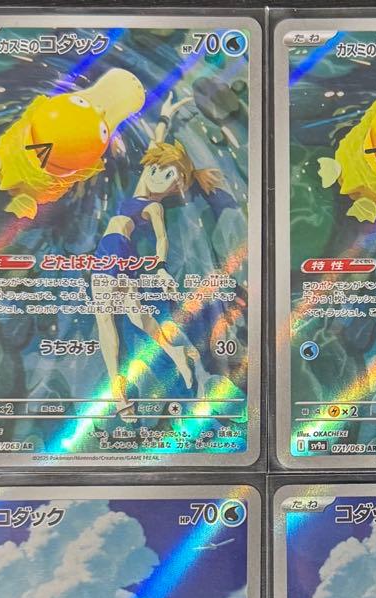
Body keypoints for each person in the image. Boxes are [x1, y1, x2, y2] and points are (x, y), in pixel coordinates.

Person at [93, 91, 221, 418]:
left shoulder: (153, 206)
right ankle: (176, 355)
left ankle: (120, 394)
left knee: (109, 321)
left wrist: (161, 266)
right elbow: (156, 144)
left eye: (169, 177)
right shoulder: (141, 189)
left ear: (176, 186)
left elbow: (162, 239)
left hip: (116, 254)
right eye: (157, 170)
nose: (157, 176)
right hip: (113, 257)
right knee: (133, 319)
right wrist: (165, 115)